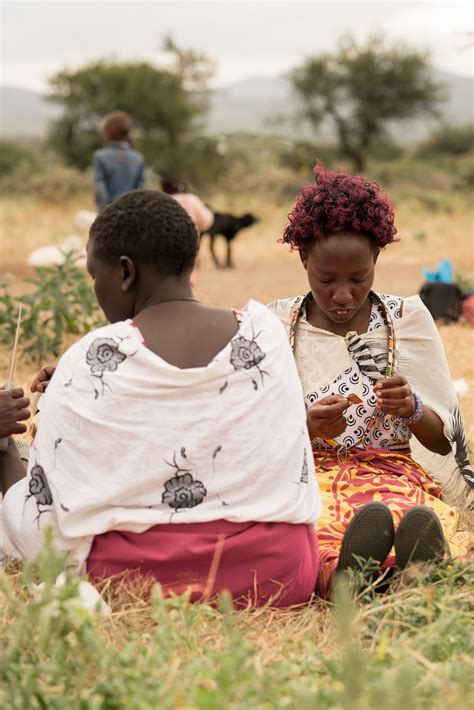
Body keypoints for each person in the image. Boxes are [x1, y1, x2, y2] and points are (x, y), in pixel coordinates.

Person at [0, 190, 321, 608]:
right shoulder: (267, 335)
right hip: (277, 573)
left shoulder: (91, 356)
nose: (96, 289)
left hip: (133, 579)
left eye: (95, 276)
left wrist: (4, 448)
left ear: (125, 273)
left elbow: (43, 528)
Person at [268, 163, 473, 596]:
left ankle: (407, 566)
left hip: (392, 471)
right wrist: (306, 426)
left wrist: (411, 407)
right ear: (303, 258)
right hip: (309, 475)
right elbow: (252, 437)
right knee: (318, 519)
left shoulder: (407, 320)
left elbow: (441, 443)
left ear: (377, 258)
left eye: (358, 278)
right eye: (327, 280)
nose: (343, 294)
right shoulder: (273, 324)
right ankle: (351, 577)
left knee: (402, 510)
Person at [93, 111, 145, 212]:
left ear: (107, 133)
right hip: (131, 213)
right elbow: (141, 191)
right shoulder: (138, 158)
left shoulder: (100, 157)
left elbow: (100, 190)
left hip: (109, 213)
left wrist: (103, 213)